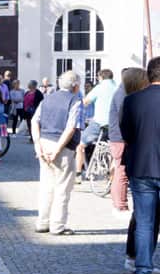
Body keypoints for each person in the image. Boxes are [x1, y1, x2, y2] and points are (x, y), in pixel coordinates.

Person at [120, 57, 160, 274]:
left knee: (145, 222)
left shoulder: (133, 100)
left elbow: (127, 134)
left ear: (149, 75)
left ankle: (143, 271)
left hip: (142, 167)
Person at [30, 70, 82, 236]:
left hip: (44, 142)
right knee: (62, 188)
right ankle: (57, 225)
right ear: (75, 86)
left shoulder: (47, 98)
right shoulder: (75, 101)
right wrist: (58, 149)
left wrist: (37, 145)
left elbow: (34, 121)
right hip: (63, 146)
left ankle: (42, 222)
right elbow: (71, 127)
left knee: (46, 185)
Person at [110, 67, 149, 217]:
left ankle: (120, 204)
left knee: (121, 171)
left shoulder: (123, 93)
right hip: (120, 138)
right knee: (122, 171)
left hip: (120, 137)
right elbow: (125, 119)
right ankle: (120, 205)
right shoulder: (123, 95)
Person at [75, 69, 117, 181]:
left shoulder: (99, 88)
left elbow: (85, 102)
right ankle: (112, 178)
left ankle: (78, 175)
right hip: (115, 125)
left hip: (99, 124)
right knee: (115, 151)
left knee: (80, 146)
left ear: (100, 77)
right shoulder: (118, 88)